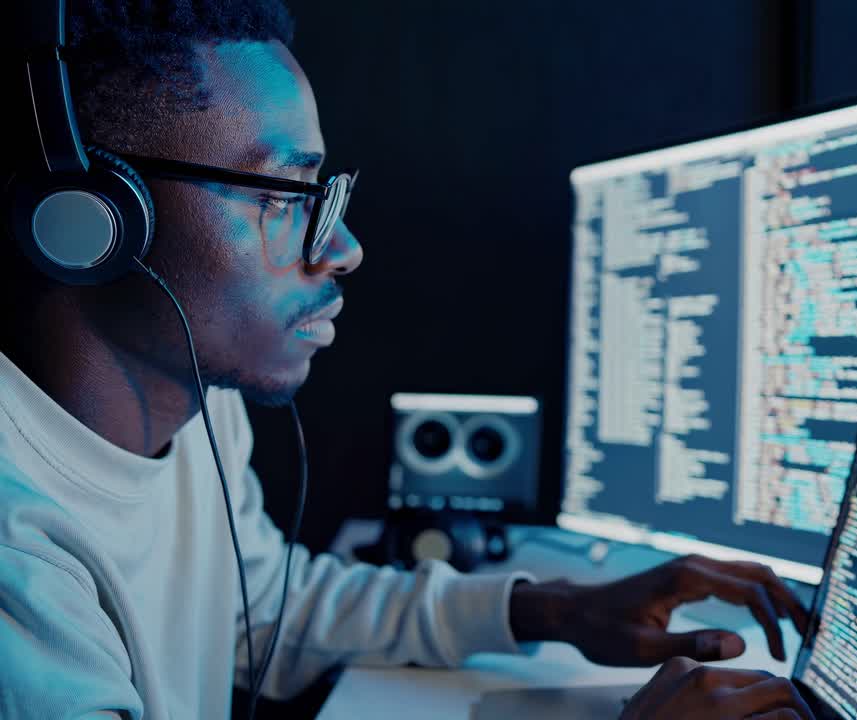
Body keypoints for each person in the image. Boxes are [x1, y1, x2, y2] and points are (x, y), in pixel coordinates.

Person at [0, 2, 816, 718]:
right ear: (91, 220)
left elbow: (260, 614)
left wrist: (556, 612)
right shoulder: (17, 559)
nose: (345, 249)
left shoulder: (199, 402)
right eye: (286, 197)